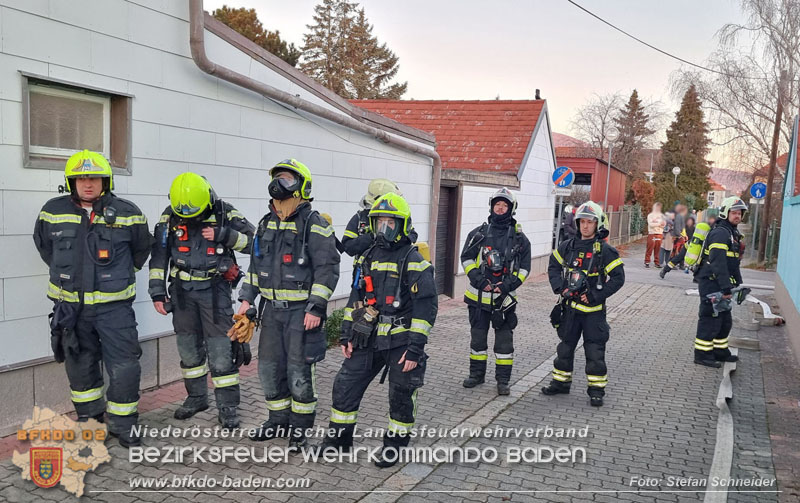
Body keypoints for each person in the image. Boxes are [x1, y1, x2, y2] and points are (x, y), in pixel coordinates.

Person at [33, 150, 152, 447]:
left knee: (124, 365)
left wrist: (118, 276)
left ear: (105, 181)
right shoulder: (51, 211)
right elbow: (45, 248)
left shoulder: (128, 212)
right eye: (81, 178)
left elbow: (140, 251)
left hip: (115, 311)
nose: (88, 184)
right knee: (79, 364)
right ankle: (91, 421)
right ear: (71, 182)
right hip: (71, 310)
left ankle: (124, 424)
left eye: (94, 178)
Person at [319, 193, 437, 467]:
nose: (384, 228)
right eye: (379, 222)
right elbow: (355, 299)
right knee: (344, 385)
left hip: (401, 343)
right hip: (367, 338)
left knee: (401, 396)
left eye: (390, 223)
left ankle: (394, 446)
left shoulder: (415, 259)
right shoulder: (367, 257)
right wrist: (347, 335)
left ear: (403, 225)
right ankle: (339, 441)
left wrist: (415, 350)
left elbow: (426, 309)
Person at [239, 159, 340, 448]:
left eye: (286, 179)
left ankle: (299, 430)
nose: (279, 185)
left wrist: (316, 307)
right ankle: (277, 421)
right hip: (271, 313)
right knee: (269, 369)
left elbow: (328, 268)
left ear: (301, 186)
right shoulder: (265, 222)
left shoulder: (314, 224)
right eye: (277, 179)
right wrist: (247, 299)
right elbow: (256, 266)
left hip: (300, 314)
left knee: (298, 372)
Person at [148, 173, 255, 429]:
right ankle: (196, 398)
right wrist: (156, 291)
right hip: (182, 292)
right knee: (188, 349)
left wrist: (225, 235)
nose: (189, 218)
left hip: (214, 291)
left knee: (221, 352)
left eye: (193, 213)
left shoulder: (224, 213)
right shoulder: (170, 215)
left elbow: (256, 244)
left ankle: (228, 407)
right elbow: (159, 254)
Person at [542, 201, 625, 406]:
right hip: (569, 310)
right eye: (582, 222)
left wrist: (596, 296)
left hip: (593, 313)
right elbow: (553, 266)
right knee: (565, 349)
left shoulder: (605, 251)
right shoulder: (567, 246)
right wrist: (560, 287)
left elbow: (618, 278)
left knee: (594, 352)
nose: (585, 226)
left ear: (598, 224)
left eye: (590, 222)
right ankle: (561, 383)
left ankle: (596, 391)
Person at [460, 188, 532, 395]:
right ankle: (476, 375)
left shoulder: (520, 239)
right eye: (497, 205)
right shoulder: (478, 234)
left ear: (511, 209)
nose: (500, 208)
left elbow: (525, 268)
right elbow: (466, 258)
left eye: (505, 205)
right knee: (478, 341)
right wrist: (478, 280)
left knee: (504, 344)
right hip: (478, 299)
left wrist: (509, 285)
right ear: (492, 206)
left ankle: (502, 381)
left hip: (504, 301)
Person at [692, 197, 747, 368]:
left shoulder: (732, 233)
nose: (737, 216)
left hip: (721, 284)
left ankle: (719, 351)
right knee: (710, 319)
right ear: (726, 212)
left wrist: (737, 283)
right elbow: (718, 263)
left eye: (740, 213)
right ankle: (702, 354)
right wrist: (725, 286)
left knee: (724, 320)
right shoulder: (720, 233)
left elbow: (733, 262)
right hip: (711, 283)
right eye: (734, 212)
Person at [342, 179, 404, 258]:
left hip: (391, 266)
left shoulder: (397, 218)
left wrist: (393, 237)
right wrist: (371, 237)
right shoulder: (360, 218)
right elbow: (348, 247)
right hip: (365, 268)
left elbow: (412, 235)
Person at [645, 202, 665, 268]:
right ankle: (647, 261)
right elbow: (651, 224)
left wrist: (656, 223)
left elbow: (664, 224)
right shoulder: (650, 215)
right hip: (652, 233)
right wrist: (659, 224)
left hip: (659, 234)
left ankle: (657, 262)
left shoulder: (662, 216)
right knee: (650, 248)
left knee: (658, 249)